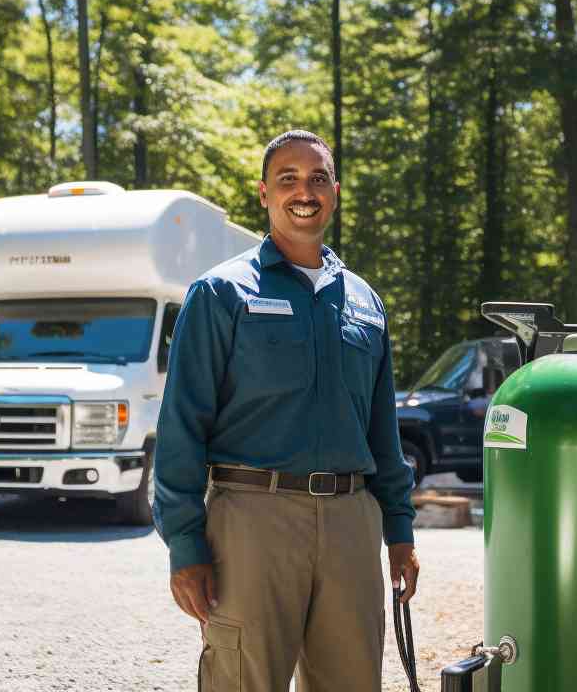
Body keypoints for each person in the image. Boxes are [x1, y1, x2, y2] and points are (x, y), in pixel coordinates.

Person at [153, 129, 420, 691]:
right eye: (289, 179)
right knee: (243, 678)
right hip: (252, 519)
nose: (305, 191)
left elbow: (382, 431)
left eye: (318, 178)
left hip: (351, 521)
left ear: (336, 191)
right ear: (264, 194)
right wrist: (185, 542)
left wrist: (399, 529)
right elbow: (182, 425)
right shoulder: (221, 293)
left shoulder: (366, 302)